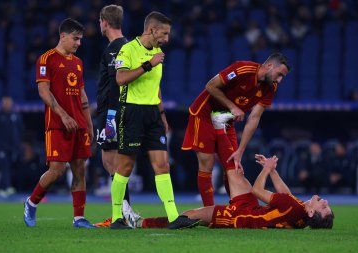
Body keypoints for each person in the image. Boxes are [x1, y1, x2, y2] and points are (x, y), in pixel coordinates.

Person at [111, 11, 199, 229]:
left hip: (152, 114)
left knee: (162, 165)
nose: (167, 39)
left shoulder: (158, 52)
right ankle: (116, 218)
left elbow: (155, 86)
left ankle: (173, 217)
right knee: (125, 166)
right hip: (131, 112)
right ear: (151, 30)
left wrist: (161, 114)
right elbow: (120, 79)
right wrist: (148, 64)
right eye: (164, 33)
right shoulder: (128, 49)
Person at [182, 52, 291, 206]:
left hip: (226, 121)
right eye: (279, 75)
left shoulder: (270, 87)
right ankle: (209, 211)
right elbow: (210, 86)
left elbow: (254, 118)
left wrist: (240, 150)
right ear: (269, 66)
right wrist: (232, 107)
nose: (279, 80)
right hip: (204, 114)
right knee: (207, 164)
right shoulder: (242, 69)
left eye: (282, 78)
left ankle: (236, 208)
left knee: (233, 167)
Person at [124, 153, 334, 229]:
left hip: (242, 217)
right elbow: (285, 195)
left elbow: (258, 190)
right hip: (252, 209)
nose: (323, 200)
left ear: (310, 212)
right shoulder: (298, 215)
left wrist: (267, 169)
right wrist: (272, 172)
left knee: (194, 215)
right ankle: (221, 127)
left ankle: (141, 223)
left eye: (323, 206)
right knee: (233, 170)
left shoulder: (294, 208)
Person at [23, 18, 95, 228]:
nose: (79, 43)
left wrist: (89, 124)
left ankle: (79, 218)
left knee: (80, 169)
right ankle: (31, 202)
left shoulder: (78, 63)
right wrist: (63, 115)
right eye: (75, 39)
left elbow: (82, 96)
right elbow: (43, 91)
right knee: (57, 171)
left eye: (80, 39)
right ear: (63, 36)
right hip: (57, 123)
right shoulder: (46, 59)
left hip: (79, 124)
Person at [92, 4, 140, 228]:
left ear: (104, 22)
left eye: (99, 21)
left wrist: (110, 114)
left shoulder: (115, 49)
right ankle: (123, 212)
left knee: (111, 161)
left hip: (112, 113)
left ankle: (123, 213)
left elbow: (116, 84)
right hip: (117, 112)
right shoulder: (128, 45)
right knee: (113, 162)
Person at [0, 96, 23, 197]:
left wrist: (18, 144)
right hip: (0, 147)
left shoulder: (16, 115)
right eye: (5, 102)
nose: (7, 104)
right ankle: (3, 187)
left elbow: (21, 129)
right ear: (2, 103)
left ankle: (7, 186)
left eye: (9, 102)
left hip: (13, 147)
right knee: (3, 166)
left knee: (9, 167)